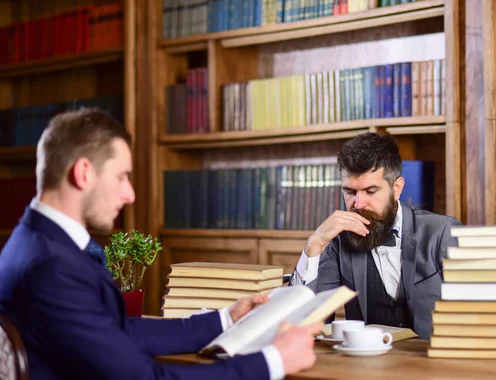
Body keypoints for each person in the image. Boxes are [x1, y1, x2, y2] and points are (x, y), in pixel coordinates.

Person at [0, 108, 321, 380]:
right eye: (122, 176)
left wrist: (226, 319)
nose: (131, 195)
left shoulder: (31, 242)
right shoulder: (53, 267)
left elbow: (117, 331)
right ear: (84, 172)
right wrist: (274, 360)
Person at [289, 132, 462, 339]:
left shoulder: (444, 233)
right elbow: (304, 324)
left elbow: (474, 321)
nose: (358, 204)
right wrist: (314, 244)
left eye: (370, 191)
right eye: (350, 192)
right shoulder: (338, 242)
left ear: (396, 188)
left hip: (434, 364)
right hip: (365, 366)